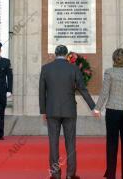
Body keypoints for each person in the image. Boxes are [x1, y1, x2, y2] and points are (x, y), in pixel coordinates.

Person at [39, 45, 98, 179]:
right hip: (69, 111)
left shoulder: (46, 68)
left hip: (52, 110)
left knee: (53, 143)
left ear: (55, 54)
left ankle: (55, 175)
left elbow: (41, 92)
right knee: (70, 143)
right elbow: (82, 89)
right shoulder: (74, 68)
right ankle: (70, 175)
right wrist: (93, 107)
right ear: (66, 55)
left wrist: (43, 111)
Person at [94, 48, 123, 179]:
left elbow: (104, 92)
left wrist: (97, 108)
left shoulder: (109, 72)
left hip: (112, 111)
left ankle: (111, 174)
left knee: (112, 144)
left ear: (114, 59)